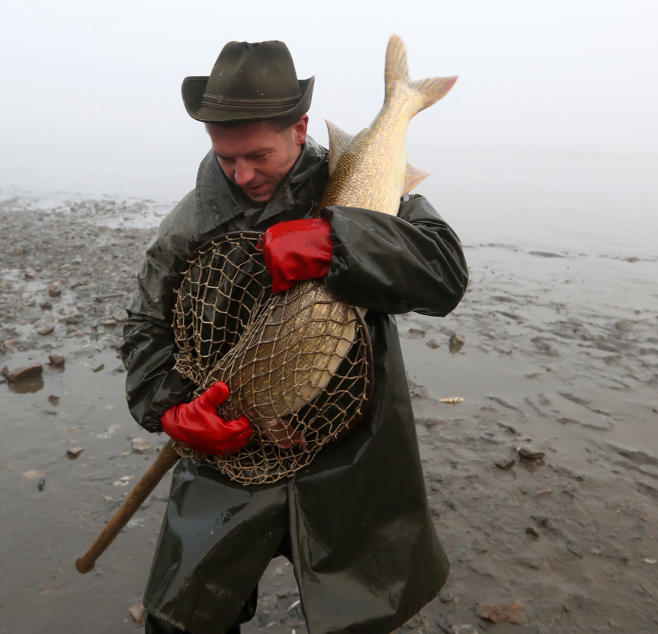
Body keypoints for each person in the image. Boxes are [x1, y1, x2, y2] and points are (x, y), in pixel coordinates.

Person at [121, 40, 468, 634]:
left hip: (353, 453)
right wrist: (173, 409)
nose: (242, 173)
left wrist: (345, 243)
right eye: (226, 156)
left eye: (257, 155)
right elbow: (145, 330)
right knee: (181, 618)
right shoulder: (187, 227)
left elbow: (444, 275)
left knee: (362, 615)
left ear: (301, 127)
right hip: (229, 456)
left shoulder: (357, 182)